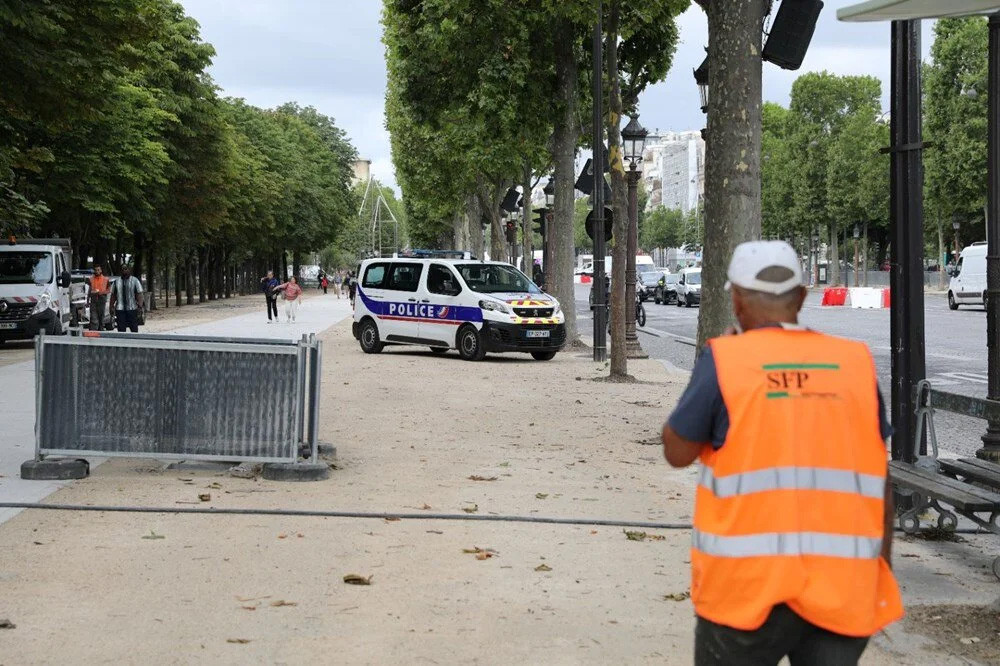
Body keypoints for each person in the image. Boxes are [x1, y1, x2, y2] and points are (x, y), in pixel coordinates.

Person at [661, 240, 902, 666]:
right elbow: (878, 475)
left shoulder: (726, 360)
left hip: (745, 592)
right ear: (802, 297)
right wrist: (880, 567)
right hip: (843, 588)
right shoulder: (854, 363)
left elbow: (677, 451)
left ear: (735, 299)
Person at [109, 265, 144, 333]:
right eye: (122, 269)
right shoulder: (116, 282)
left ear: (129, 270)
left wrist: (140, 306)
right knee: (121, 329)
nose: (124, 270)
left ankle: (134, 342)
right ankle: (122, 342)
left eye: (126, 269)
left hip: (132, 309)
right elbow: (113, 295)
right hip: (120, 309)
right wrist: (111, 307)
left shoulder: (135, 280)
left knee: (134, 328)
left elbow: (139, 294)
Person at [88, 264, 110, 331]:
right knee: (93, 318)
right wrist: (87, 301)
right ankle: (93, 331)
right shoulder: (91, 279)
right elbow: (88, 290)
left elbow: (108, 290)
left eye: (98, 270)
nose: (97, 271)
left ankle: (101, 330)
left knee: (101, 317)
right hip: (93, 300)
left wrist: (101, 292)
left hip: (102, 300)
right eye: (96, 270)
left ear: (101, 270)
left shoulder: (105, 279)